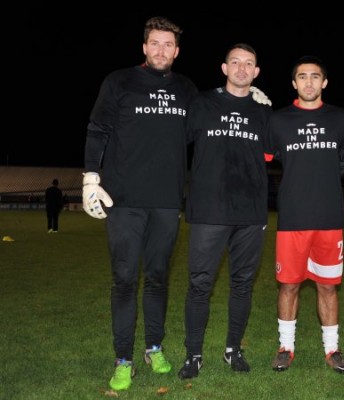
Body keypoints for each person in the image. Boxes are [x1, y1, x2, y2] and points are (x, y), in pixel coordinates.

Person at [82, 16, 198, 391]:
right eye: (155, 43)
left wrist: (244, 102)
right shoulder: (119, 81)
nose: (161, 50)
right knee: (125, 279)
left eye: (168, 44)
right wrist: (90, 176)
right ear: (144, 47)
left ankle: (153, 348)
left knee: (158, 277)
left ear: (177, 51)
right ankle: (123, 359)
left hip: (166, 201)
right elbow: (98, 128)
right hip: (124, 200)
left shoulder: (186, 89)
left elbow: (207, 128)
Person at [177, 43, 272, 380]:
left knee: (242, 284)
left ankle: (233, 350)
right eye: (235, 62)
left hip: (250, 213)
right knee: (199, 284)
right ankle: (193, 354)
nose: (241, 68)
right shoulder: (202, 103)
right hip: (208, 210)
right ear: (224, 67)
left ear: (256, 72)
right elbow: (173, 142)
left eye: (248, 64)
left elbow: (277, 153)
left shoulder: (264, 112)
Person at [265, 55, 344, 374]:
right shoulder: (278, 120)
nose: (308, 82)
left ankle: (332, 349)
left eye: (315, 76)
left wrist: (326, 171)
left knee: (327, 286)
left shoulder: (339, 118)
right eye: (302, 76)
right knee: (289, 285)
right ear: (294, 83)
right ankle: (285, 347)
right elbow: (262, 156)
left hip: (329, 218)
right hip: (292, 218)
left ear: (324, 82)